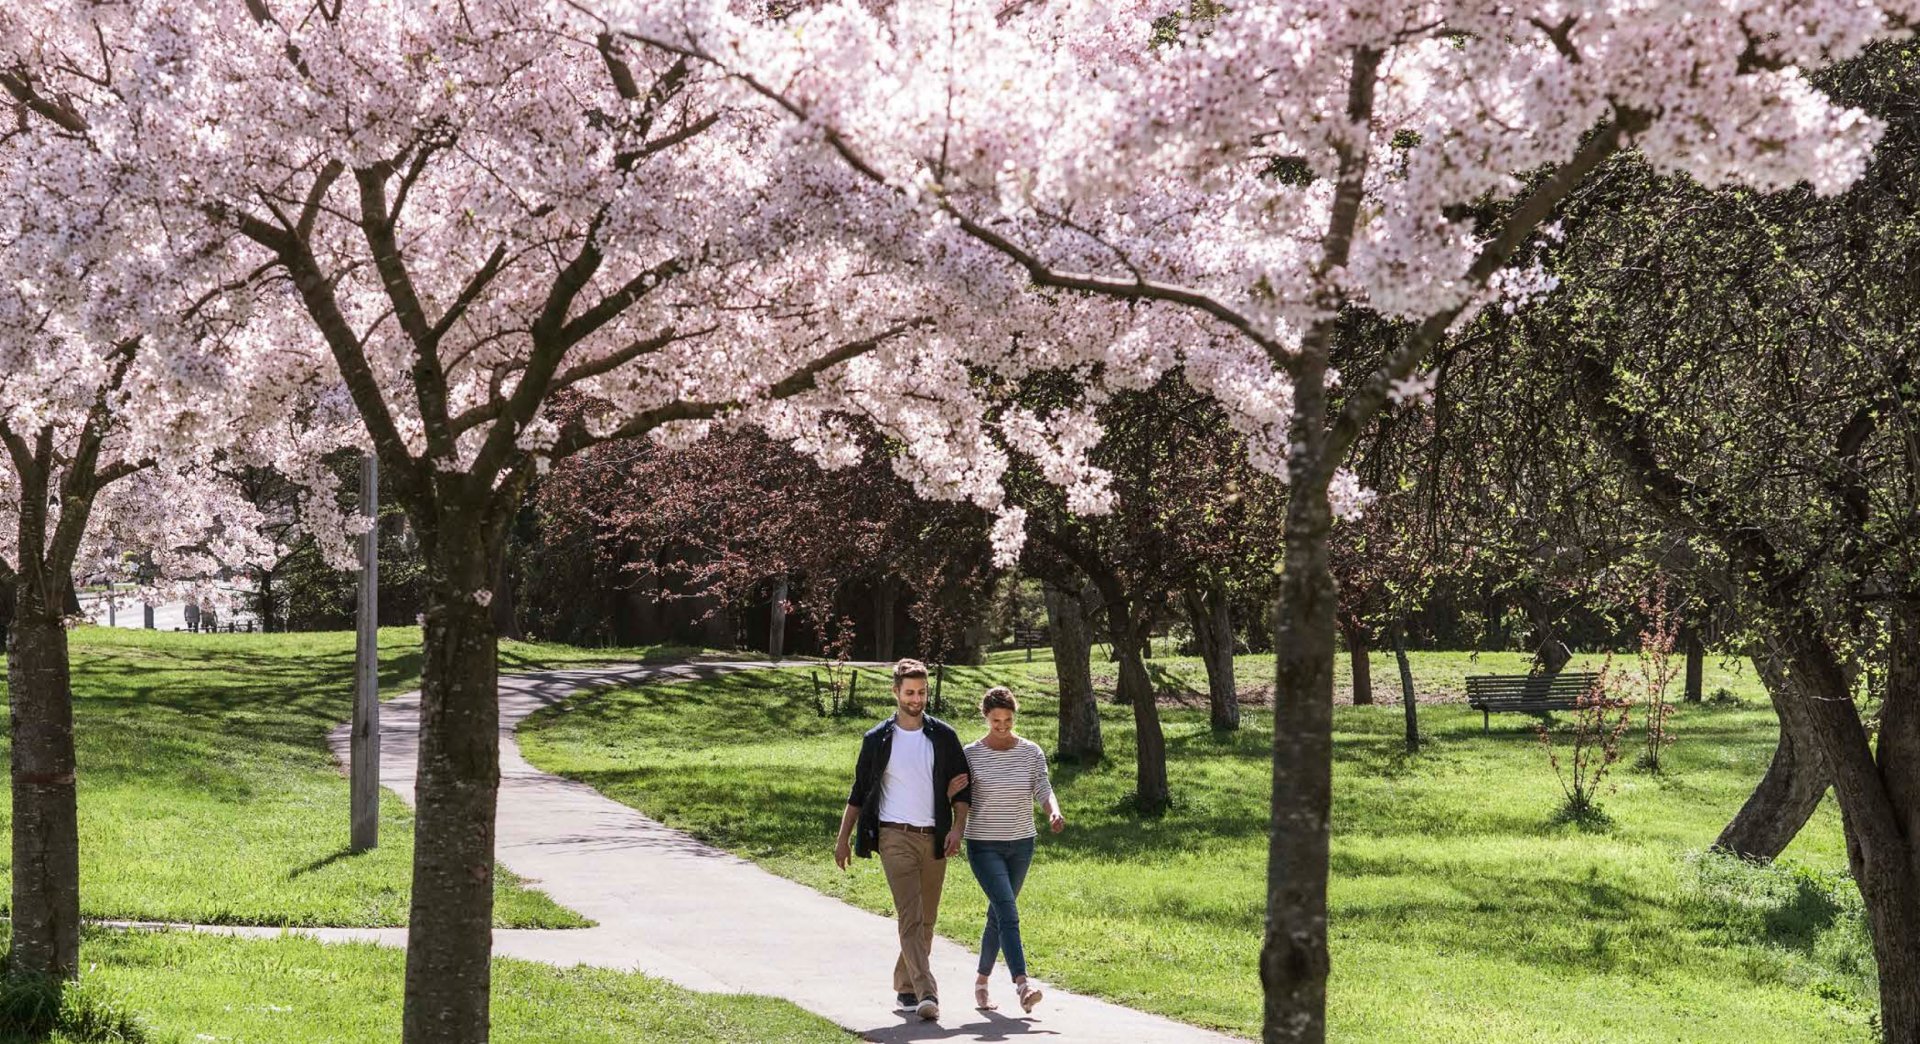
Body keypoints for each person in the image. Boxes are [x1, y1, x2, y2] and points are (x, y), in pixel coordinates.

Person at [834, 658, 973, 1021]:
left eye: (922, 692)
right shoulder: (877, 739)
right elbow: (859, 792)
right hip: (894, 835)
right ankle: (928, 994)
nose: (917, 698)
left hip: (935, 837)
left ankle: (905, 985)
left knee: (927, 919)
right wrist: (843, 838)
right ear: (895, 692)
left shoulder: (943, 736)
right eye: (909, 692)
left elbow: (962, 790)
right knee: (910, 916)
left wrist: (958, 828)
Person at [957, 686, 1064, 1014]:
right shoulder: (971, 754)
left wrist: (1053, 811)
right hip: (983, 844)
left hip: (1021, 845)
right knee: (1007, 909)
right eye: (995, 720)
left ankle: (981, 983)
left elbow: (1042, 787)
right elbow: (958, 796)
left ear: (1014, 716)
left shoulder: (1030, 752)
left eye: (1007, 719)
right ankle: (1023, 984)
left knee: (998, 914)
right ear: (985, 717)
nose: (1002, 725)